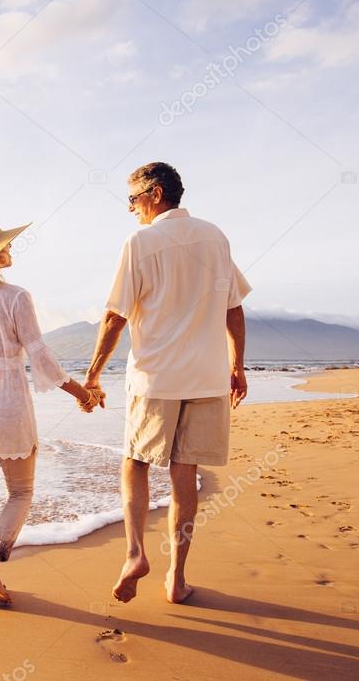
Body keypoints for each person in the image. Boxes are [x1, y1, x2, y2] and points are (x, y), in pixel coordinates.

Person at [83, 162, 251, 604]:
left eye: (133, 199)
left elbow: (115, 315)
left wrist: (94, 373)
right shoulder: (215, 236)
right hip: (208, 377)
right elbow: (233, 308)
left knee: (136, 463)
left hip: (155, 378)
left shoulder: (141, 241)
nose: (131, 209)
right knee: (185, 473)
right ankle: (176, 578)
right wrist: (238, 367)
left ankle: (136, 553)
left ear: (155, 194)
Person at [0, 217, 101, 606]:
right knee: (21, 492)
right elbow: (40, 356)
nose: (11, 249)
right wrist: (80, 393)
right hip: (8, 404)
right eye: (5, 245)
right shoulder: (16, 297)